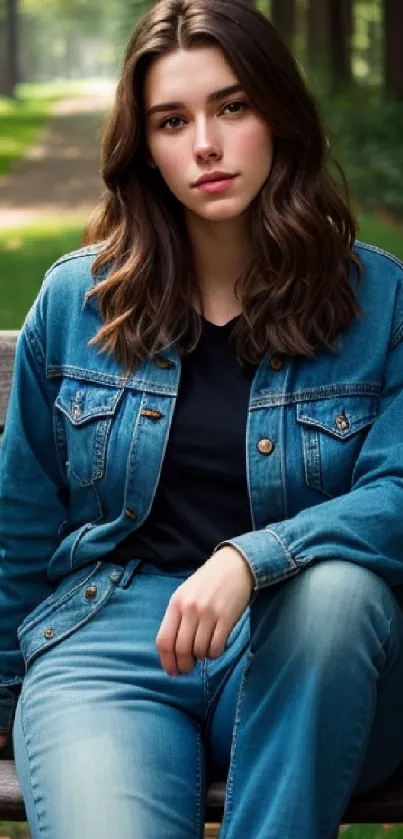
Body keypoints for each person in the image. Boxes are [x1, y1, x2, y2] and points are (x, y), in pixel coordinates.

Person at [0, 0, 403, 836]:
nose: (205, 146)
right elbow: (22, 521)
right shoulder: (78, 302)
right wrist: (9, 702)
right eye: (170, 121)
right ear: (144, 150)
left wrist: (253, 559)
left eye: (231, 107)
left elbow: (397, 490)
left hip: (311, 666)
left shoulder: (380, 301)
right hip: (111, 651)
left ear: (278, 117)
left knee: (333, 590)